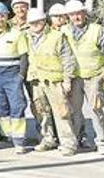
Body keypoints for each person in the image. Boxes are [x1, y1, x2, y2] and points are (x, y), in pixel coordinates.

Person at [25, 9, 77, 156]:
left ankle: (68, 143)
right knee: (41, 112)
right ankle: (48, 139)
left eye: (38, 21)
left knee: (62, 112)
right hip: (36, 80)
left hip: (54, 81)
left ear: (44, 21)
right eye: (32, 23)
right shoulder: (27, 36)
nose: (35, 25)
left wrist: (67, 80)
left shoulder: (57, 36)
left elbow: (68, 59)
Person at [63, 0, 104, 155]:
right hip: (74, 77)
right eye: (72, 14)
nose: (76, 17)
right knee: (74, 111)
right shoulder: (64, 31)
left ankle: (102, 142)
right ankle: (75, 141)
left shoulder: (97, 30)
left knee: (96, 109)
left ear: (84, 14)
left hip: (94, 76)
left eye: (79, 14)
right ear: (68, 16)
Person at [0, 2, 29, 153]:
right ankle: (7, 135)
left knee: (17, 106)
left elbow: (23, 56)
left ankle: (19, 140)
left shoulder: (17, 33)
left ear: (7, 16)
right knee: (0, 106)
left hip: (12, 74)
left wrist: (21, 75)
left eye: (2, 16)